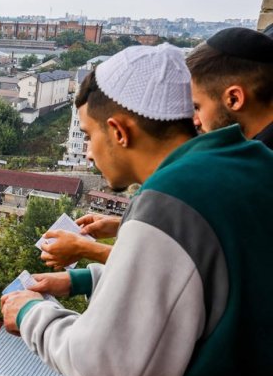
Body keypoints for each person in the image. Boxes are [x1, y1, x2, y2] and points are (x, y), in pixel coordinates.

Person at [1, 43, 273, 376]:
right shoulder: (251, 163)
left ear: (119, 131)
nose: (88, 152)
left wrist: (30, 314)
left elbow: (103, 366)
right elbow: (195, 289)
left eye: (88, 135)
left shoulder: (171, 200)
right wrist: (79, 279)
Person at [37, 27, 273, 271]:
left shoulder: (184, 188)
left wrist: (28, 308)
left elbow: (182, 270)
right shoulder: (251, 160)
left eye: (197, 106)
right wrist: (124, 226)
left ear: (119, 132)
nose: (194, 120)